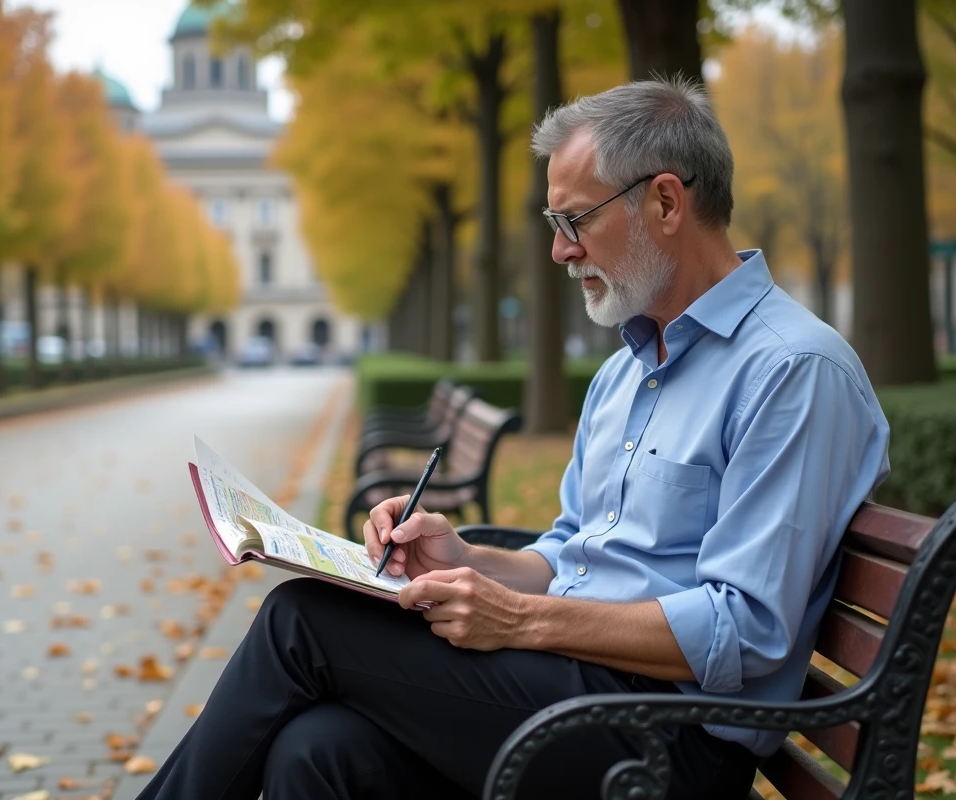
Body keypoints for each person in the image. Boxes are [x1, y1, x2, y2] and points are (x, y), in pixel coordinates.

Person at [136, 76, 890, 800]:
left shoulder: (793, 371)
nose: (561, 251)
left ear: (665, 201)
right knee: (318, 749)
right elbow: (570, 553)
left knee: (301, 621)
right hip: (582, 693)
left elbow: (747, 631)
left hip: (668, 739)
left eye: (576, 220)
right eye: (554, 226)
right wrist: (467, 560)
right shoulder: (625, 373)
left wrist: (520, 619)